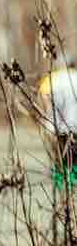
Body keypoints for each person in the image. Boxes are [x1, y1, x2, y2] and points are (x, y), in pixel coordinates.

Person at [38, 54, 77, 188]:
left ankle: (61, 191)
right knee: (74, 162)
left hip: (55, 127)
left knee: (59, 161)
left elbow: (43, 99)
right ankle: (73, 190)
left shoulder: (51, 79)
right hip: (75, 127)